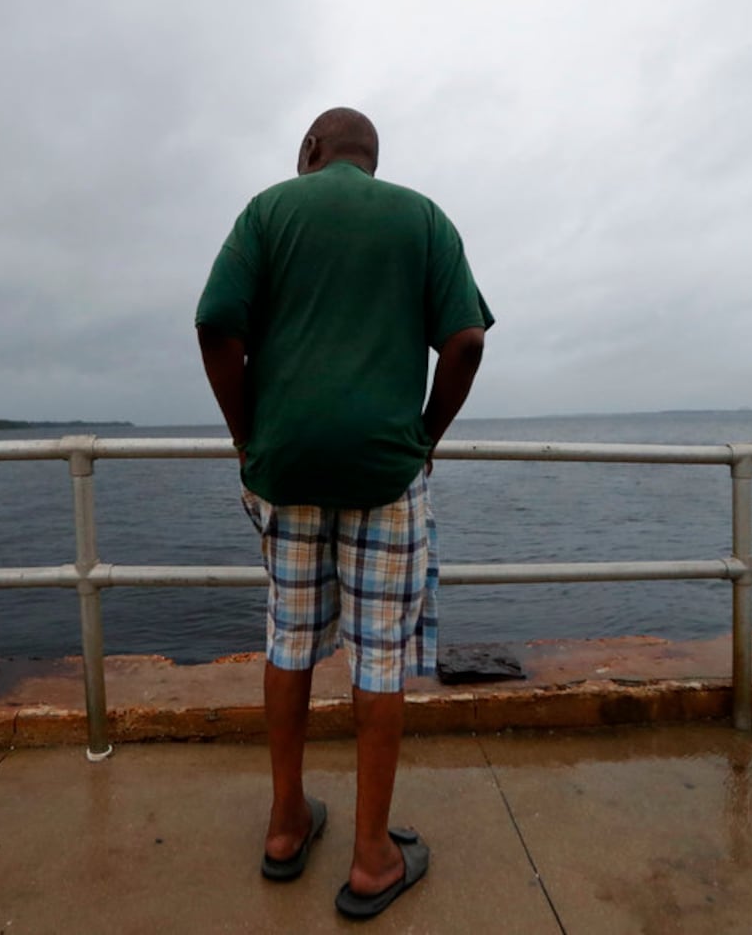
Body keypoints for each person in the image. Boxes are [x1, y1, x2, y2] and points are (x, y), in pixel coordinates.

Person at [195, 107, 492, 918]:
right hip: (384, 474)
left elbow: (215, 324)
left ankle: (286, 825)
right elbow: (465, 342)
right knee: (380, 658)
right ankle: (369, 859)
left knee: (289, 640)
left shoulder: (267, 210)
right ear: (372, 160)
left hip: (285, 469)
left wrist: (246, 437)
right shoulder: (421, 216)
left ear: (310, 151)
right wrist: (424, 436)